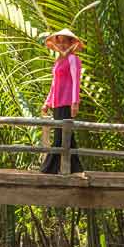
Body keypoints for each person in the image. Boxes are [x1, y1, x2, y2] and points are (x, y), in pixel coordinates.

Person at [40, 28, 84, 174]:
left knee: (61, 135)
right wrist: (47, 102)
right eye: (59, 42)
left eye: (65, 42)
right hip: (57, 103)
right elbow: (54, 84)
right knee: (66, 136)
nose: (62, 45)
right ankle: (74, 168)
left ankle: (49, 168)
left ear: (71, 43)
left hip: (67, 102)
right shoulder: (58, 61)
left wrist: (75, 102)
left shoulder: (73, 59)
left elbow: (76, 81)